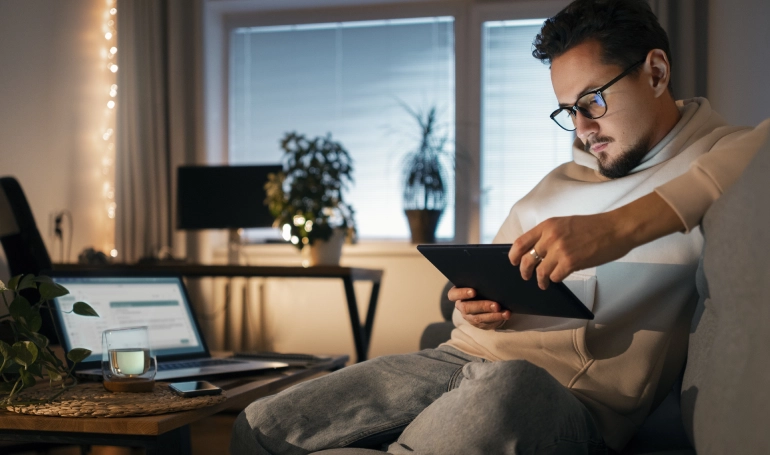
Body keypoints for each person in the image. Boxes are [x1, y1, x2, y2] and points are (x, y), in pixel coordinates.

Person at [231, 1, 770, 453]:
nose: (582, 131)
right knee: (258, 425)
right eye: (567, 112)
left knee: (510, 386)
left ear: (656, 71)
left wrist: (611, 230)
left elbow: (731, 168)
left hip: (564, 398)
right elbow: (474, 287)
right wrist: (469, 303)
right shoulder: (558, 181)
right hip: (457, 357)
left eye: (592, 102)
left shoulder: (731, 153)